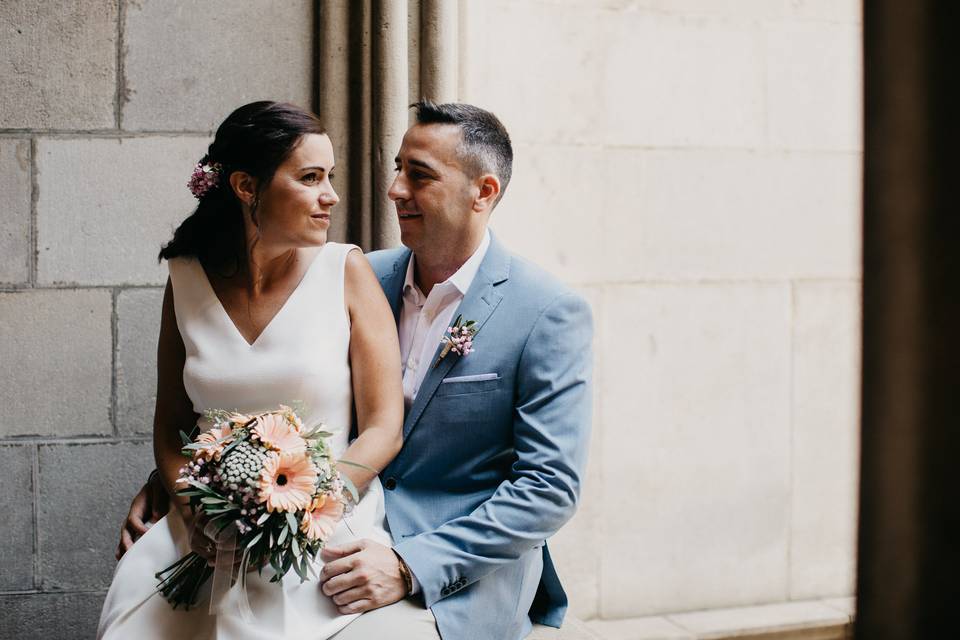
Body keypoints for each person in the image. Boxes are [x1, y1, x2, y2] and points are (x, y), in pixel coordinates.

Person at [118, 101, 593, 640]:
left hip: (453, 567)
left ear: (483, 192)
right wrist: (190, 481)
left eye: (418, 175)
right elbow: (256, 390)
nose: (393, 190)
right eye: (396, 168)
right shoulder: (361, 272)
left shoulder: (546, 312)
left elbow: (549, 486)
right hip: (320, 534)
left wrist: (412, 565)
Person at [98, 101, 404, 639]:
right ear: (245, 186)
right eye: (310, 178)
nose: (329, 195)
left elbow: (384, 426)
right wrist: (194, 510)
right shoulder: (186, 280)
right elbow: (172, 422)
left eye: (329, 177)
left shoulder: (346, 271)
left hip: (323, 521)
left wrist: (308, 510)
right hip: (205, 525)